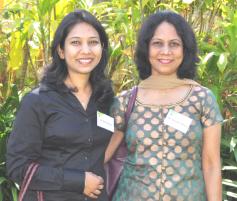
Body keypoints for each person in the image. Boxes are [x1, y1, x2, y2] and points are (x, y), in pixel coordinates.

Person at [105, 10, 223, 201]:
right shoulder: (126, 101)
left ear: (185, 49)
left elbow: (211, 164)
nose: (165, 51)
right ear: (146, 48)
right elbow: (99, 153)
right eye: (157, 43)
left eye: (174, 44)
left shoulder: (202, 99)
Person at [6, 9, 114, 201]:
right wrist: (78, 181)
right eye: (75, 42)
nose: (86, 50)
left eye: (93, 42)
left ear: (102, 48)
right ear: (61, 51)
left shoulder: (106, 99)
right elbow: (18, 167)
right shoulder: (38, 101)